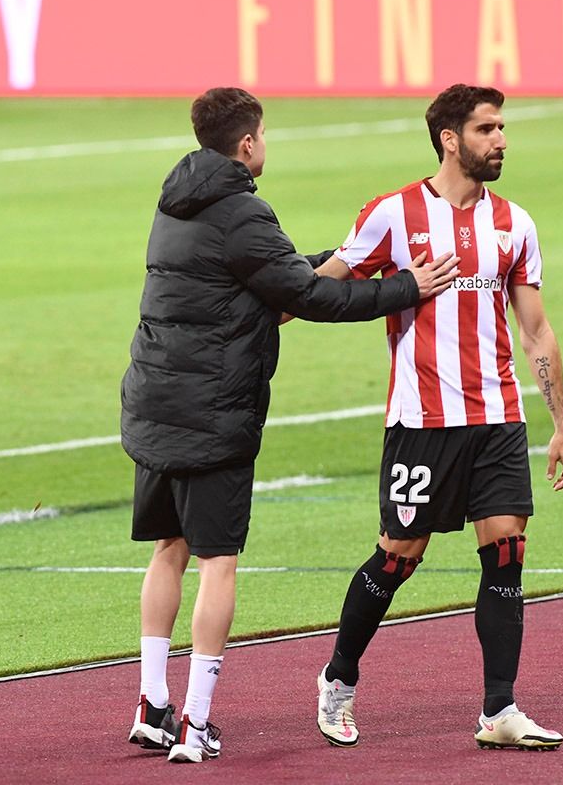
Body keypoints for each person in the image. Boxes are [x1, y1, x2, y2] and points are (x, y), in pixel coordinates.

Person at [120, 87, 458, 764]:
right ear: (247, 144)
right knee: (218, 561)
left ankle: (153, 705)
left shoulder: (175, 199)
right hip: (214, 410)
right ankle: (196, 721)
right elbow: (307, 297)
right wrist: (404, 286)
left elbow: (260, 271)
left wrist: (349, 254)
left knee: (168, 548)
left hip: (156, 400)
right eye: (264, 135)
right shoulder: (244, 210)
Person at [309, 83, 563, 751]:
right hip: (421, 424)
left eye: (503, 128)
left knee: (507, 552)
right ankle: (338, 678)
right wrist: (265, 302)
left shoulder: (515, 223)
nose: (502, 141)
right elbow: (326, 283)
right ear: (449, 139)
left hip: (497, 417)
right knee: (399, 558)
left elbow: (537, 332)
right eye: (488, 129)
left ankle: (499, 709)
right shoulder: (394, 214)